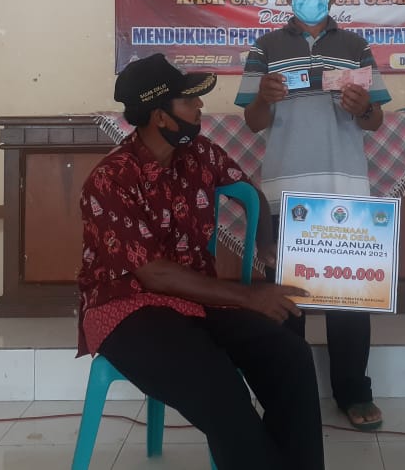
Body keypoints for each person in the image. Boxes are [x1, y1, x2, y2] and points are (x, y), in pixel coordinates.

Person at [77, 53, 325, 470]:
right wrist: (249, 296)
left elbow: (249, 191)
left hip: (197, 299)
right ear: (160, 116)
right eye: (189, 101)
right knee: (219, 387)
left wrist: (265, 244)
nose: (200, 107)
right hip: (126, 308)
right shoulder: (110, 179)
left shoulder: (199, 154)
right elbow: (153, 274)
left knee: (292, 357)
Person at [234, 0, 392, 431]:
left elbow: (375, 120)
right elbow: (253, 121)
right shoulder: (264, 47)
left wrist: (363, 107)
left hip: (345, 186)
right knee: (287, 300)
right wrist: (263, 98)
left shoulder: (356, 46)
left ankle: (353, 392)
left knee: (350, 298)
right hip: (286, 188)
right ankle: (288, 392)